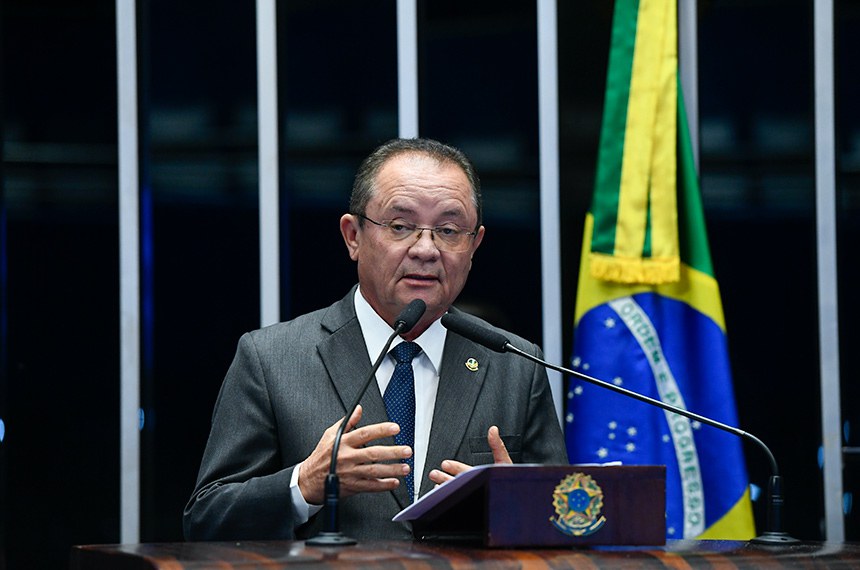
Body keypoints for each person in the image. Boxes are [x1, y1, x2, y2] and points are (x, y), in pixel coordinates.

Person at [183, 138, 568, 541]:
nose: (426, 249)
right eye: (400, 226)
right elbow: (207, 519)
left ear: (474, 246)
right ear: (353, 236)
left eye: (449, 230)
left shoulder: (515, 364)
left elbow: (566, 524)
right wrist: (305, 484)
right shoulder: (272, 359)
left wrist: (522, 509)